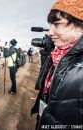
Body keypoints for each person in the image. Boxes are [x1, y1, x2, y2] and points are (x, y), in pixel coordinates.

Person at [31, 0, 83, 129]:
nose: (50, 32)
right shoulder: (58, 52)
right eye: (50, 25)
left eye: (57, 24)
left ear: (80, 26)